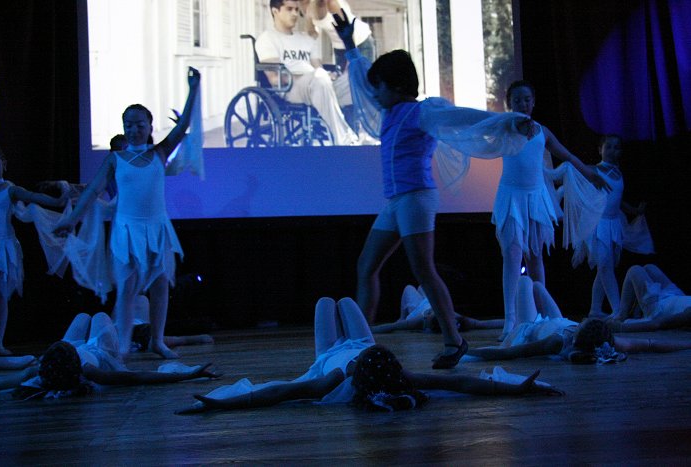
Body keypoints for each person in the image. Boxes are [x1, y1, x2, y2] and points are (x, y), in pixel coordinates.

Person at [333, 11, 538, 368]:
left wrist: (512, 121)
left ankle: (453, 340)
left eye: (382, 87)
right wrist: (350, 43)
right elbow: (366, 84)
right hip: (397, 201)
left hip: (416, 199)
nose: (375, 94)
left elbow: (466, 117)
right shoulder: (389, 112)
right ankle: (359, 344)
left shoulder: (422, 113)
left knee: (424, 270)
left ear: (398, 87)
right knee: (367, 265)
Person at [176, 297, 561, 414]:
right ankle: (364, 338)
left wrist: (222, 403)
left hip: (329, 353)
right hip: (360, 342)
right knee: (346, 301)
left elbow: (279, 391)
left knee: (327, 302)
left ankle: (346, 328)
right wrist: (514, 389)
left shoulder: (334, 378)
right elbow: (460, 383)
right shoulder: (399, 376)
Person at [53, 67, 201, 359]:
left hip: (156, 227)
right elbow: (92, 191)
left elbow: (183, 124)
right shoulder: (116, 158)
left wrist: (193, 89)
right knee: (127, 287)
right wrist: (71, 219)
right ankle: (122, 344)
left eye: (139, 124)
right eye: (128, 125)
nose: (134, 130)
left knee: (160, 284)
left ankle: (157, 341)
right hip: (127, 229)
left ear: (149, 126)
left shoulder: (159, 152)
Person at [493, 80, 610, 340]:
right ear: (509, 103)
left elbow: (568, 156)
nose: (522, 103)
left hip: (535, 199)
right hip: (511, 197)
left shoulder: (542, 132)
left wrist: (590, 174)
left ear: (533, 102)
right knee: (512, 254)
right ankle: (510, 321)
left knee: (535, 256)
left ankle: (539, 316)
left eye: (527, 99)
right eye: (517, 100)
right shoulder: (505, 127)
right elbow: (482, 131)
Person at [467, 276, 691, 363]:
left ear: (578, 333)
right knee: (537, 286)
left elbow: (511, 353)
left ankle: (511, 324)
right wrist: (687, 345)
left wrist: (470, 351)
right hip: (557, 321)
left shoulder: (556, 341)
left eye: (582, 322)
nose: (582, 319)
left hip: (530, 328)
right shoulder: (607, 341)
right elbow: (651, 345)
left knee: (525, 281)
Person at [0, 312, 216, 397]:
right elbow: (135, 377)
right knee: (99, 316)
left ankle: (135, 332)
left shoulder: (43, 368)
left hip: (71, 353)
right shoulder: (90, 370)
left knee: (81, 317)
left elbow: (1, 382)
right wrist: (186, 375)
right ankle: (126, 342)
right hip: (100, 353)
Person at [0, 143, 68, 356]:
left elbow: (34, 197)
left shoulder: (10, 189)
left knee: (0, 296)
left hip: (2, 248)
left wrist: (58, 199)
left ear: (3, 164)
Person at [256, 0, 358, 145]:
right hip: (290, 88)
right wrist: (314, 76)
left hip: (317, 83)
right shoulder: (267, 38)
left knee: (352, 81)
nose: (295, 14)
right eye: (289, 9)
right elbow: (275, 78)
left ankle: (366, 131)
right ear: (275, 11)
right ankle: (343, 138)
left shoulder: (306, 38)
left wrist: (329, 75)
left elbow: (318, 67)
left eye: (297, 10)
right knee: (319, 78)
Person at [569, 135, 649, 318]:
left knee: (606, 267)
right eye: (609, 147)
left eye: (616, 147)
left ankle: (595, 309)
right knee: (605, 266)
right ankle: (618, 310)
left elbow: (618, 201)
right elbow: (573, 173)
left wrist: (635, 210)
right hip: (598, 224)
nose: (613, 151)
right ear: (600, 150)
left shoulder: (618, 173)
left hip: (613, 223)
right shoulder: (593, 170)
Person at [300, 0, 375, 134]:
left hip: (359, 42)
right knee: (343, 89)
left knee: (358, 85)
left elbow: (348, 32)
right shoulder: (306, 5)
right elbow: (311, 33)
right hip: (339, 47)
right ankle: (351, 131)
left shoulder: (331, 3)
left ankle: (367, 131)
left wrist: (350, 62)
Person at [371, 284, 504, 334]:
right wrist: (510, 322)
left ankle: (402, 316)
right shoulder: (456, 317)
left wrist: (369, 330)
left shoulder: (421, 320)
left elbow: (392, 327)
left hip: (419, 308)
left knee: (409, 288)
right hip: (429, 303)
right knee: (422, 286)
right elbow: (484, 324)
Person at [607, 264, 691, 332]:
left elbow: (657, 324)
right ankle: (636, 312)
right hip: (677, 296)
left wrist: (621, 327)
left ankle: (622, 315)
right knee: (650, 268)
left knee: (635, 270)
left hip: (659, 309)